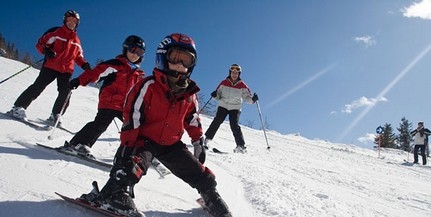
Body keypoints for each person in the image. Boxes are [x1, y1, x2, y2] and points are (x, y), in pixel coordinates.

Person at [80, 33, 232, 217]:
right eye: (175, 57)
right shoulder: (149, 85)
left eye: (186, 60)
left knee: (198, 172)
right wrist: (128, 145)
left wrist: (198, 141)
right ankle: (114, 191)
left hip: (172, 145)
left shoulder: (190, 93)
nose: (180, 65)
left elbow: (192, 119)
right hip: (145, 140)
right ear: (162, 56)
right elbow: (132, 113)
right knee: (132, 164)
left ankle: (210, 196)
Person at [64, 35, 146, 157]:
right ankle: (78, 144)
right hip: (110, 102)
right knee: (100, 124)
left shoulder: (138, 75)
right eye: (133, 50)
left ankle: (138, 153)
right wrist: (78, 81)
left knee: (137, 127)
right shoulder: (116, 65)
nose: (135, 54)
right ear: (125, 49)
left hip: (125, 107)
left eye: (139, 52)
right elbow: (95, 74)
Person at [9, 10, 91, 125]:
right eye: (69, 20)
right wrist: (46, 51)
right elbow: (40, 44)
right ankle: (18, 108)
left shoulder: (77, 41)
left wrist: (84, 64)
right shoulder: (56, 32)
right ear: (65, 20)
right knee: (38, 86)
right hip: (51, 65)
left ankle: (56, 115)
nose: (71, 23)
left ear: (77, 23)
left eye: (74, 21)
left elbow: (78, 57)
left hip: (66, 70)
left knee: (66, 92)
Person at [204, 63, 258, 153]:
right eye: (233, 72)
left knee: (234, 125)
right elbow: (218, 96)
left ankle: (241, 146)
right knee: (217, 121)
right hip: (223, 105)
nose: (234, 75)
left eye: (236, 73)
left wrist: (253, 99)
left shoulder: (243, 86)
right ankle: (207, 140)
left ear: (239, 74)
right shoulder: (223, 83)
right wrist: (215, 95)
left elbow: (247, 98)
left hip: (235, 107)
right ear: (230, 73)